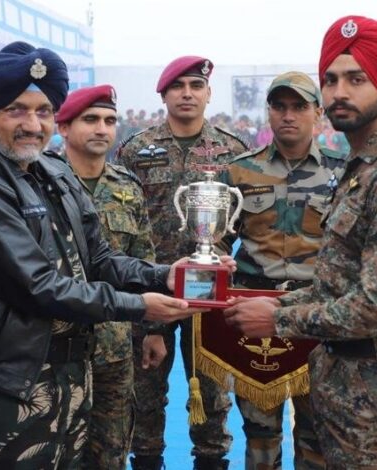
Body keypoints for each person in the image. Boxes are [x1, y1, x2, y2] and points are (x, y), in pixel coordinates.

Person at [0, 42, 214, 469]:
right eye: (16, 110)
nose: (33, 124)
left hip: (69, 373)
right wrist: (138, 306)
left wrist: (163, 275)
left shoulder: (53, 173)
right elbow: (37, 286)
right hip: (8, 382)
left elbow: (98, 259)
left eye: (43, 111)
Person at [224, 15, 377, 469]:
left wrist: (279, 318)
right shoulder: (362, 169)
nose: (338, 92)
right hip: (347, 379)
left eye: (356, 79)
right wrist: (280, 306)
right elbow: (337, 283)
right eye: (330, 79)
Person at [116, 55, 248, 470]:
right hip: (150, 288)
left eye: (195, 86)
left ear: (208, 94)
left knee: (212, 397)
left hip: (210, 292)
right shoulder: (137, 150)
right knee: (145, 397)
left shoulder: (233, 150)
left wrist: (223, 257)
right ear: (164, 95)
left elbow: (246, 218)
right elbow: (125, 219)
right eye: (178, 86)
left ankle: (211, 461)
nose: (187, 93)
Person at [219, 72, 344, 470]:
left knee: (316, 431)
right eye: (279, 106)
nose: (288, 115)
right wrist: (216, 259)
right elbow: (217, 240)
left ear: (318, 114)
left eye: (299, 107)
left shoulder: (344, 174)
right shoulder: (238, 174)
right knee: (260, 432)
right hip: (255, 314)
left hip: (315, 315)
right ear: (269, 113)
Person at [55, 84, 157, 469]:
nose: (102, 128)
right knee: (60, 451)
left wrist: (153, 330)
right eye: (91, 119)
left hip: (115, 345)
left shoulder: (127, 188)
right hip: (57, 347)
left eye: (110, 120)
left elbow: (141, 258)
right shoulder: (38, 183)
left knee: (111, 450)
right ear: (63, 127)